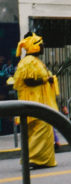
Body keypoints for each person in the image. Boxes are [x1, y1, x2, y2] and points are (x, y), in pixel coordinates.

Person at [12, 33, 59, 169]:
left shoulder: (36, 61)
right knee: (41, 128)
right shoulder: (29, 61)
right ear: (34, 47)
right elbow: (29, 81)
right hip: (34, 101)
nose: (43, 47)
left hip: (40, 101)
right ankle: (32, 158)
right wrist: (46, 79)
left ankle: (43, 160)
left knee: (42, 129)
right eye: (41, 45)